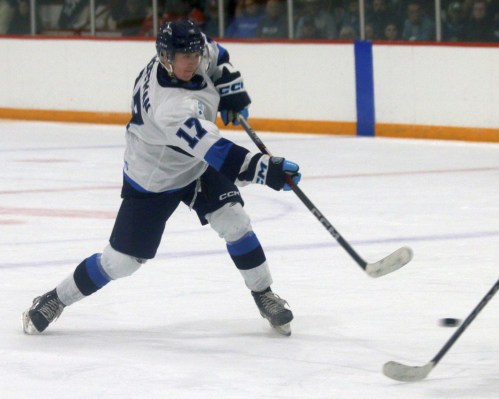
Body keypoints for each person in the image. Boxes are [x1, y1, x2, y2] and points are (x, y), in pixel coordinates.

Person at [22, 19, 301, 337]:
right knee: (121, 263)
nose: (193, 63)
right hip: (153, 179)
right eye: (185, 58)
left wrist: (232, 88)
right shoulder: (169, 106)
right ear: (165, 57)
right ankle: (56, 298)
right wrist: (266, 169)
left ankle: (264, 294)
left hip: (193, 165)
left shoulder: (190, 55)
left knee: (235, 221)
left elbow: (217, 54)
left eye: (195, 56)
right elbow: (218, 153)